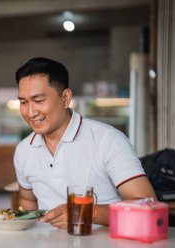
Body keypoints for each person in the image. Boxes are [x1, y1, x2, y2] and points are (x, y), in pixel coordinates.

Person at [14, 57, 156, 228]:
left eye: (38, 101)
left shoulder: (108, 140)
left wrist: (85, 212)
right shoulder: (23, 150)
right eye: (23, 102)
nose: (30, 112)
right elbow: (27, 199)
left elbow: (148, 206)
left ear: (65, 98)